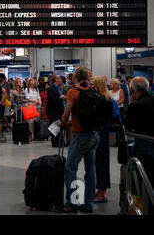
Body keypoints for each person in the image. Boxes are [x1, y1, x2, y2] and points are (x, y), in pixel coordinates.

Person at [55, 66, 100, 214]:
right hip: (94, 134)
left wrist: (62, 123)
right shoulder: (93, 91)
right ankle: (89, 203)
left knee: (70, 168)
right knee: (91, 168)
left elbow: (66, 113)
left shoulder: (73, 92)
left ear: (75, 77)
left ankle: (72, 203)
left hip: (81, 135)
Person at [91, 76, 120, 204]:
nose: (90, 86)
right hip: (101, 132)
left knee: (101, 162)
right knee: (97, 162)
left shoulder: (105, 100)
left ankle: (102, 191)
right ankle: (100, 189)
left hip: (101, 133)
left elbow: (113, 117)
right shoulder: (107, 99)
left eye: (92, 84)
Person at [124, 76, 154, 188]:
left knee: (142, 175)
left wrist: (131, 104)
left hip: (143, 143)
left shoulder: (135, 105)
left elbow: (127, 125)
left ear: (132, 90)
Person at [47, 75, 66, 147]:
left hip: (59, 110)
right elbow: (50, 99)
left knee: (59, 126)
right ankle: (55, 143)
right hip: (53, 111)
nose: (60, 79)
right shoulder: (50, 88)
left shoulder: (59, 88)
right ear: (55, 80)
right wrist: (60, 97)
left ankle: (60, 142)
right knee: (54, 126)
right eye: (58, 78)